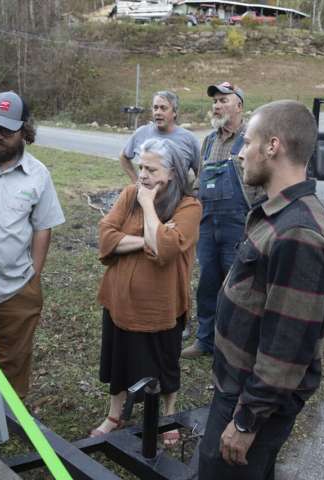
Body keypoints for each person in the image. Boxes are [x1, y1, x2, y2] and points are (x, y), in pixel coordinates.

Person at [198, 100, 324, 479]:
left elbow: (287, 346)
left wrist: (246, 422)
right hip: (241, 390)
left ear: (273, 146)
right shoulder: (279, 213)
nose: (241, 153)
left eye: (248, 142)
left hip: (250, 401)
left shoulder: (298, 234)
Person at [93, 138, 202, 445]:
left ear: (172, 173)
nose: (142, 174)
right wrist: (145, 241)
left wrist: (147, 206)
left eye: (151, 169)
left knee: (165, 364)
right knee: (118, 360)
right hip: (119, 300)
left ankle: (167, 419)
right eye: (141, 166)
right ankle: (115, 414)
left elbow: (166, 248)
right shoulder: (129, 194)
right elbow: (105, 235)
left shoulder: (189, 206)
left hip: (162, 306)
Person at [0, 91, 65, 400]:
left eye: (7, 130)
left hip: (14, 284)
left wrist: (33, 278)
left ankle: (9, 416)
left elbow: (42, 226)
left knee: (13, 357)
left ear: (25, 130)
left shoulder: (38, 175)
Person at [181, 81, 262, 359]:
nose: (217, 105)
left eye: (223, 100)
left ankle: (233, 344)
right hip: (207, 222)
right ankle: (205, 340)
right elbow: (199, 182)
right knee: (207, 283)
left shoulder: (251, 139)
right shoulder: (209, 141)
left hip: (238, 223)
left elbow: (261, 183)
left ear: (239, 105)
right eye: (214, 101)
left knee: (237, 286)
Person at [119, 90, 200, 185]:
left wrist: (195, 191)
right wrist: (136, 182)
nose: (158, 112)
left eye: (163, 108)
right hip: (146, 197)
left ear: (174, 112)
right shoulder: (141, 133)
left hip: (178, 199)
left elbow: (200, 172)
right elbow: (123, 157)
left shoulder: (189, 139)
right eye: (155, 108)